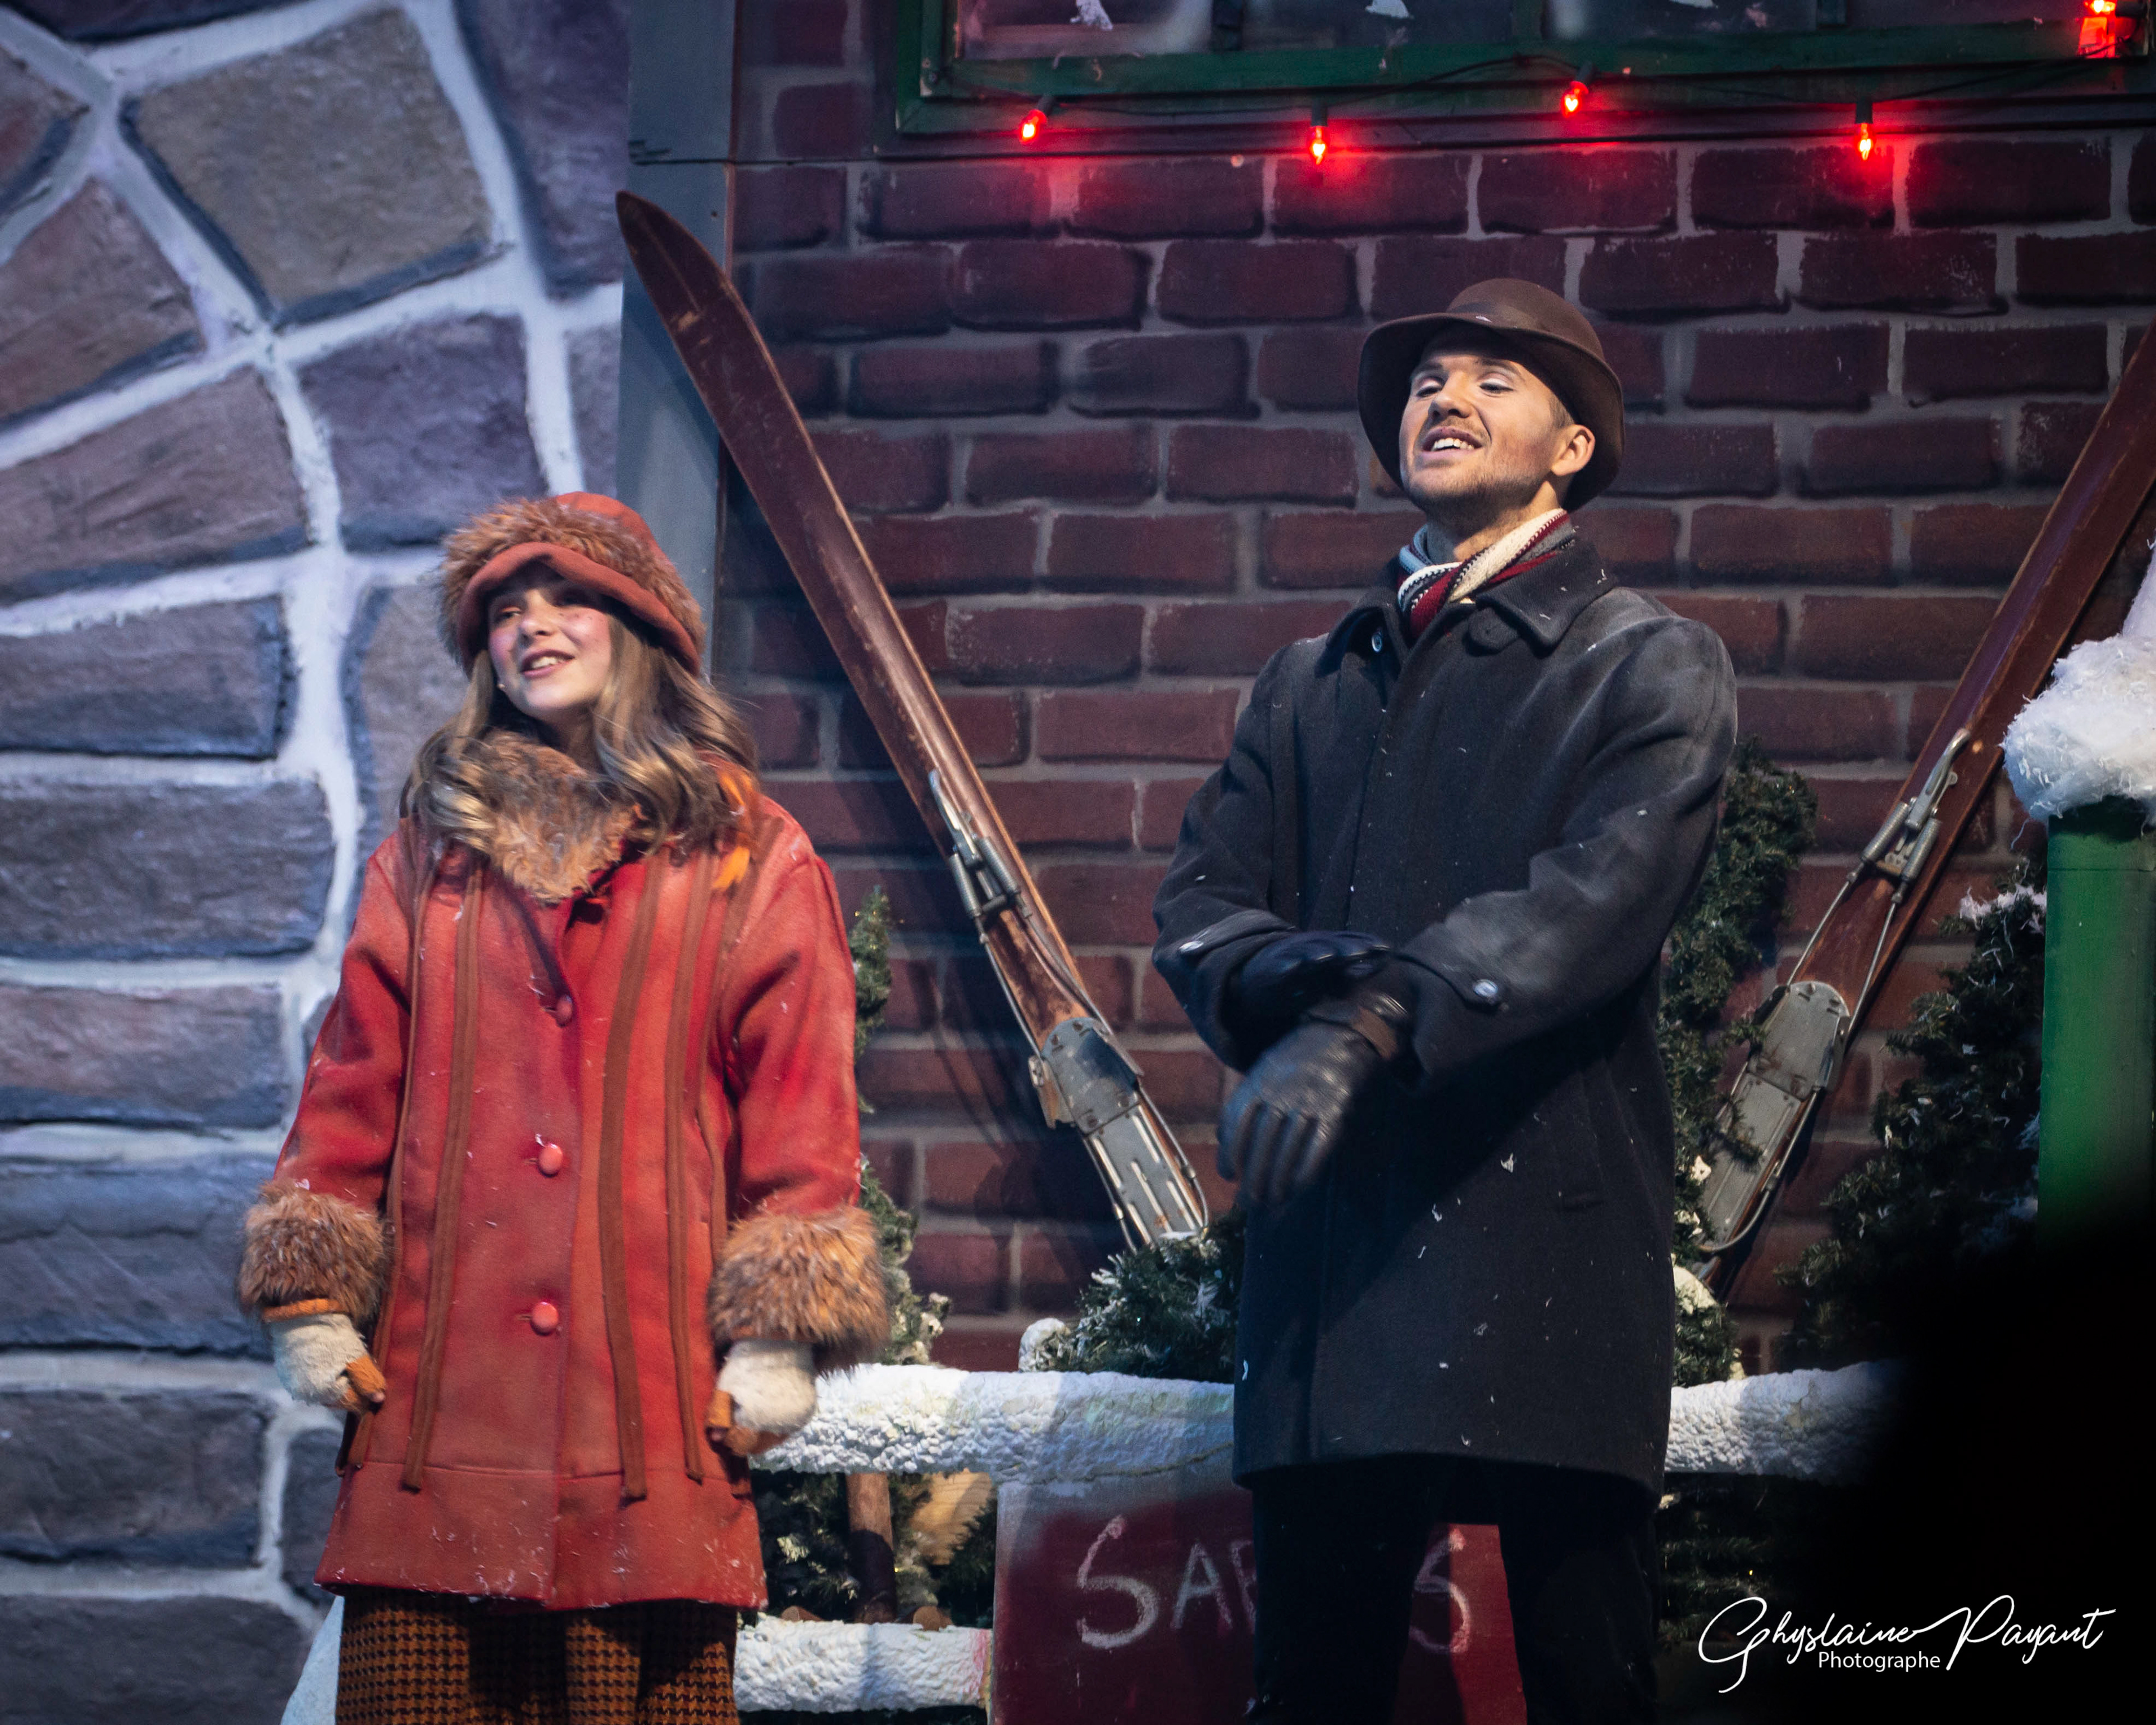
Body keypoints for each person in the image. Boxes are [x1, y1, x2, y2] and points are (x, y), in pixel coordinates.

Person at [1153, 282, 1738, 1724]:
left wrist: (1368, 1025)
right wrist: (1312, 992)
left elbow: (1592, 903)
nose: (1446, 398)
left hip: (1547, 1256)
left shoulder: (1647, 662)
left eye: (1493, 378)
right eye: (1427, 380)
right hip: (1338, 1271)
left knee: (1588, 1683)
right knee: (1316, 1693)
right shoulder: (1307, 682)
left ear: (1574, 448)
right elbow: (1204, 907)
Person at [238, 492, 887, 1724]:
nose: (531, 625)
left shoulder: (749, 855)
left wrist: (779, 1331)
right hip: (442, 1414)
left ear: (641, 626)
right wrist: (310, 1295)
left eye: (568, 597)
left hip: (646, 1418)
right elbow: (354, 1077)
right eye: (504, 611)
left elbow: (800, 1101)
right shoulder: (428, 858)